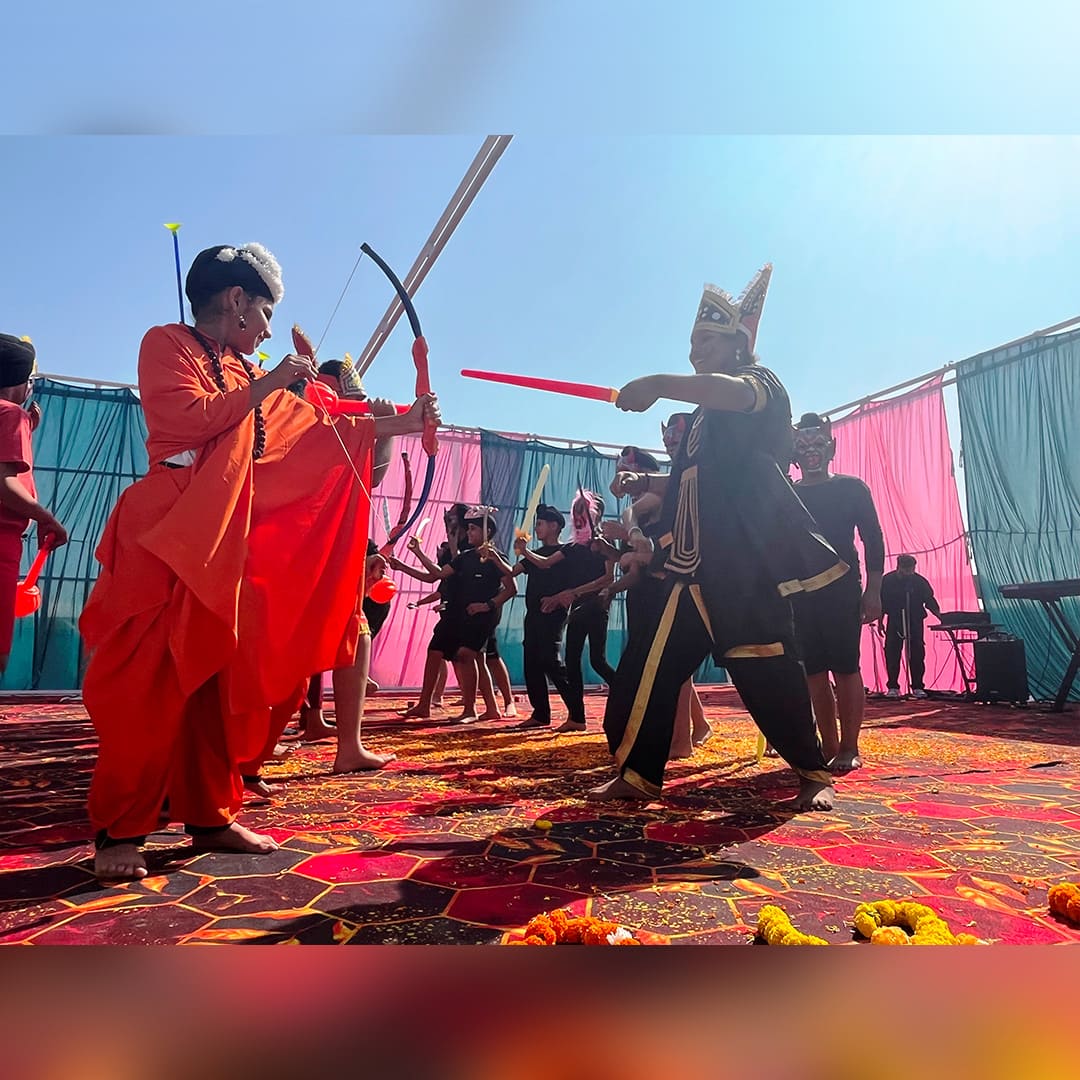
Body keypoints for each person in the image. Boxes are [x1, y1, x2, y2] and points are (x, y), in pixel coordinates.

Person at [81, 242, 439, 881]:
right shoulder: (166, 343)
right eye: (267, 313)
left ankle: (211, 814)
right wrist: (272, 382)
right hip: (166, 531)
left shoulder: (245, 372)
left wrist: (406, 422)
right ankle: (119, 829)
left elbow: (316, 430)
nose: (270, 331)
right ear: (236, 300)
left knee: (220, 679)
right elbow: (190, 419)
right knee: (149, 683)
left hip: (227, 538)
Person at [588, 264, 847, 810]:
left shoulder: (760, 385)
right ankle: (638, 775)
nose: (694, 352)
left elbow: (731, 393)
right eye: (691, 343)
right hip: (690, 570)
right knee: (647, 669)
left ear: (737, 344)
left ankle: (812, 773)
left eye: (705, 340)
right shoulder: (701, 419)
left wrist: (657, 384)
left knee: (771, 672)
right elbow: (690, 480)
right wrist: (645, 482)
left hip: (746, 571)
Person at [291, 356, 400, 761]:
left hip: (325, 541)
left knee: (342, 632)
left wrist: (382, 424)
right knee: (335, 633)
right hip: (310, 542)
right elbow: (370, 474)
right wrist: (386, 424)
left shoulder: (323, 420)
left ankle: (324, 727)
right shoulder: (313, 420)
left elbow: (368, 475)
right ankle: (342, 744)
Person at [598, 445, 710, 757]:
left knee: (673, 667)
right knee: (670, 668)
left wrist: (630, 535)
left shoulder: (669, 499)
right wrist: (617, 560)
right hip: (646, 594)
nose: (623, 481)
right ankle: (696, 726)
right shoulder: (642, 509)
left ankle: (680, 738)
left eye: (629, 474)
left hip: (668, 592)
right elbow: (636, 562)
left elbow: (662, 553)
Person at [791, 412, 885, 773]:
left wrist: (874, 590)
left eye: (818, 444)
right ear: (794, 452)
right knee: (813, 671)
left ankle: (849, 746)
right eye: (803, 446)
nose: (811, 452)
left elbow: (873, 539)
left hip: (842, 587)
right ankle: (828, 744)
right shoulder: (789, 493)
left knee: (845, 666)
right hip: (801, 590)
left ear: (831, 448)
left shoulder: (852, 488)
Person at [0, 334, 68, 674]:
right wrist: (46, 518)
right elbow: (5, 484)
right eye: (30, 380)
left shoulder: (14, 418)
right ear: (18, 382)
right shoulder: (11, 414)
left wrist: (26, 429)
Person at [525, 491, 617, 732]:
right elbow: (545, 563)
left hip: (596, 607)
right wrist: (524, 551)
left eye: (582, 510)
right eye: (575, 511)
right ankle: (577, 718)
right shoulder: (572, 547)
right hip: (577, 609)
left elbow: (608, 578)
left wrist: (573, 592)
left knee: (597, 661)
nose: (577, 516)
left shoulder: (604, 545)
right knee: (572, 661)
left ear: (595, 514)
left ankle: (626, 693)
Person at [497, 504, 576, 730]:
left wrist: (525, 551)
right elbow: (511, 571)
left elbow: (544, 564)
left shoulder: (566, 551)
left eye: (540, 524)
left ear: (554, 526)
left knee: (551, 661)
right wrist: (493, 557)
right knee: (531, 662)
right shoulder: (535, 554)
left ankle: (576, 710)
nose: (537, 528)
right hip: (533, 614)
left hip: (554, 613)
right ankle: (540, 714)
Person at [878, 554, 941, 698]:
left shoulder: (919, 582)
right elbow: (881, 603)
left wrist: (941, 618)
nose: (908, 572)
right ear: (898, 566)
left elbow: (930, 601)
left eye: (911, 569)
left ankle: (917, 686)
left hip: (915, 620)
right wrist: (880, 622)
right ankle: (893, 686)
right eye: (905, 569)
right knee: (892, 653)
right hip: (895, 620)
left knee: (917, 653)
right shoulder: (887, 581)